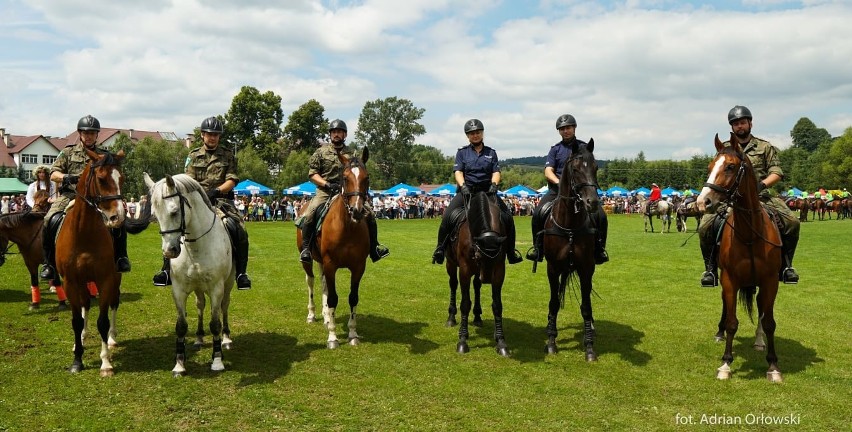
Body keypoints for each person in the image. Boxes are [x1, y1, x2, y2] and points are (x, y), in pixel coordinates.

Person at [697, 105, 800, 287]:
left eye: (743, 122)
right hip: (730, 199)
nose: (740, 126)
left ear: (750, 124)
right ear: (732, 127)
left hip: (762, 197)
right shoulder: (725, 149)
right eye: (736, 124)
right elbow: (717, 173)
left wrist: (761, 185)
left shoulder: (764, 146)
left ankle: (786, 266)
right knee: (705, 226)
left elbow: (776, 172)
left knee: (792, 222)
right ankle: (711, 269)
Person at [152, 116, 252, 289]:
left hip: (221, 200)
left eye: (215, 134)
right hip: (195, 201)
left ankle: (241, 273)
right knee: (176, 225)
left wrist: (217, 191)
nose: (212, 137)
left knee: (238, 228)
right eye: (209, 134)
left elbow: (232, 180)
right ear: (202, 135)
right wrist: (198, 195)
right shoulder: (193, 155)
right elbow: (186, 179)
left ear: (219, 137)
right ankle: (166, 269)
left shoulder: (228, 155)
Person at [40, 115, 131, 280]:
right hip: (70, 195)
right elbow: (53, 173)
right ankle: (49, 264)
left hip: (98, 198)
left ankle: (121, 257)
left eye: (92, 133)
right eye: (86, 133)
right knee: (49, 219)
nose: (89, 136)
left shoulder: (105, 155)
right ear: (80, 134)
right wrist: (67, 177)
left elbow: (113, 176)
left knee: (119, 219)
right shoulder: (68, 152)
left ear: (97, 135)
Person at [431, 119, 523, 265]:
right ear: (468, 136)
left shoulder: (491, 153)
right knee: (447, 216)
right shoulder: (462, 153)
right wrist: (463, 186)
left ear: (482, 133)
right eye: (472, 133)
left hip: (488, 193)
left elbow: (496, 171)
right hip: (467, 192)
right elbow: (458, 171)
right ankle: (440, 249)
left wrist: (494, 184)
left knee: (507, 217)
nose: (475, 135)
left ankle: (511, 252)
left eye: (478, 132)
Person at [297, 119, 390, 264]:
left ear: (344, 135)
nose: (336, 134)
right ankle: (306, 249)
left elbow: (357, 173)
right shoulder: (321, 152)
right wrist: (327, 184)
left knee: (370, 213)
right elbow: (313, 174)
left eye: (339, 132)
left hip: (347, 193)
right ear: (330, 134)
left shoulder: (351, 154)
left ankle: (374, 248)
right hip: (325, 191)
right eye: (334, 132)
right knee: (310, 212)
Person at [525, 114, 609, 264]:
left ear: (574, 128)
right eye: (562, 129)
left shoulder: (584, 147)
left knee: (601, 216)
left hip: (580, 191)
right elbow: (548, 170)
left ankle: (599, 249)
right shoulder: (555, 149)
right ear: (559, 131)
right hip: (557, 191)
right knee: (538, 212)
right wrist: (558, 182)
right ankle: (538, 249)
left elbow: (590, 168)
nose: (566, 131)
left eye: (568, 128)